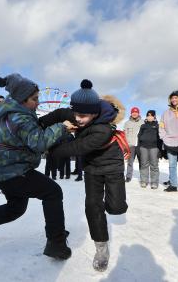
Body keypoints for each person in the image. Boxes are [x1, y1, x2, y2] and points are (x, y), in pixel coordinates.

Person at [0, 73, 74, 260]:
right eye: (34, 99)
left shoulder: (14, 114)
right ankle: (56, 242)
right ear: (22, 99)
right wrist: (62, 127)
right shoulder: (21, 118)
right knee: (53, 192)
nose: (38, 102)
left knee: (16, 208)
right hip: (13, 172)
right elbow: (38, 143)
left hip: (6, 171)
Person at [39, 80, 128, 272]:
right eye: (75, 114)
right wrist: (39, 125)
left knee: (116, 208)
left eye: (82, 116)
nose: (77, 119)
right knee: (93, 206)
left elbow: (75, 148)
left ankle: (114, 203)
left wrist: (45, 147)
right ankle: (102, 248)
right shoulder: (76, 113)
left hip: (112, 166)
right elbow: (59, 113)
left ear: (94, 113)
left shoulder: (103, 129)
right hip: (92, 169)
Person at [137, 110, 161, 189]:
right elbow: (139, 136)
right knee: (144, 164)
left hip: (154, 147)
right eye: (148, 115)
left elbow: (160, 139)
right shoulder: (143, 126)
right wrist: (138, 147)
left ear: (154, 117)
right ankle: (144, 181)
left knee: (154, 165)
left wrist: (160, 150)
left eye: (151, 115)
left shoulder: (158, 126)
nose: (149, 117)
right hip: (143, 147)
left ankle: (154, 182)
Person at [124, 107, 143, 182]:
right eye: (133, 112)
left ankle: (143, 177)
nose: (134, 113)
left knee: (142, 162)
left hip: (140, 146)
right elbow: (124, 134)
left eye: (136, 112)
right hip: (130, 145)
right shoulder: (127, 123)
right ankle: (128, 176)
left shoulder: (143, 122)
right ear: (131, 113)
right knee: (130, 162)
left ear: (138, 113)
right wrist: (125, 145)